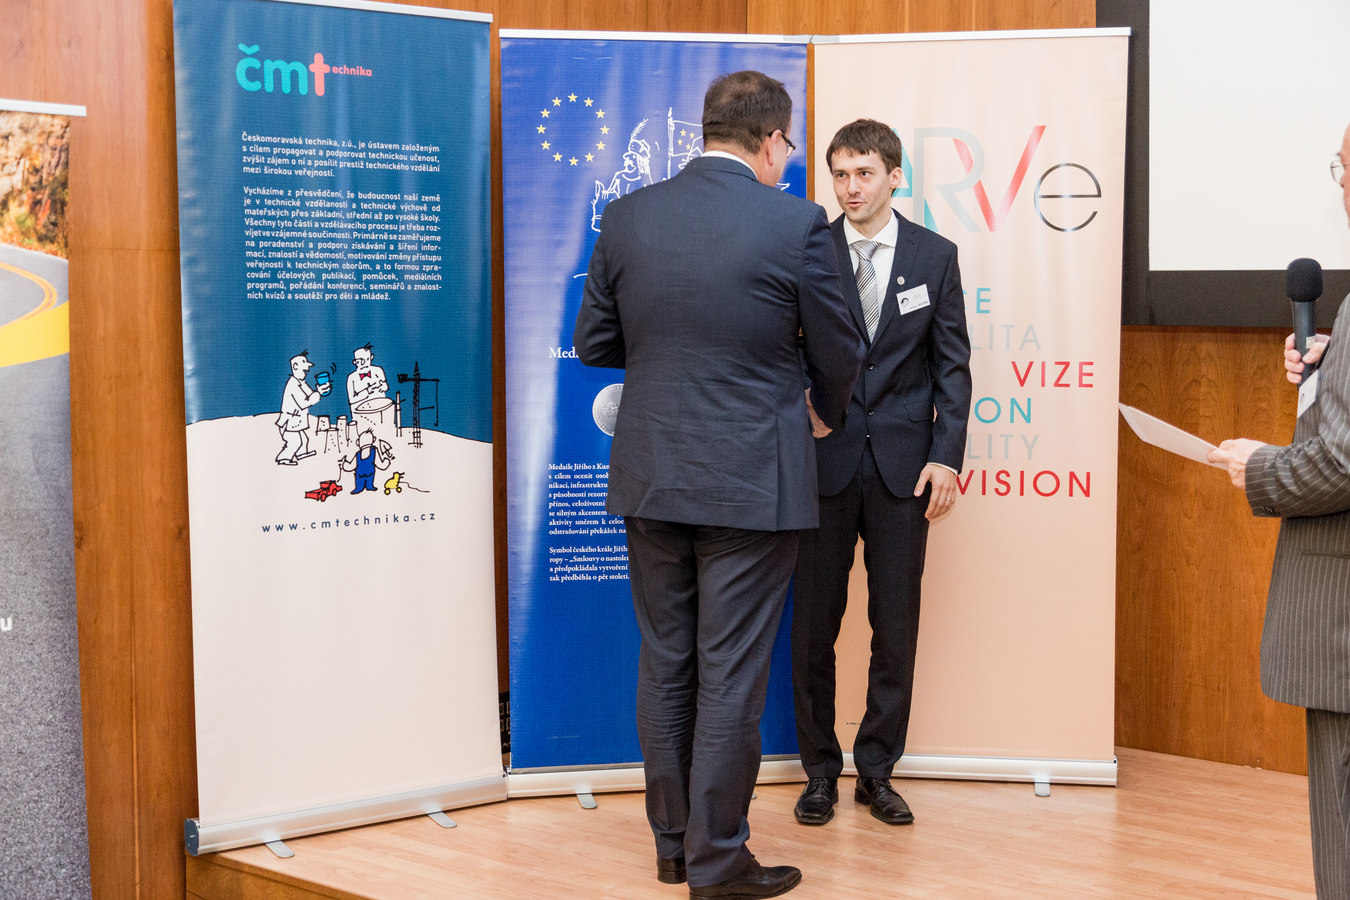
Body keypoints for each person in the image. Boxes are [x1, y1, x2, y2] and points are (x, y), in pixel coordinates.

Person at [573, 70, 863, 900]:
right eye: (789, 146)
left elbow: (595, 343)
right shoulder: (796, 222)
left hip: (652, 474)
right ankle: (718, 860)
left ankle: (674, 848)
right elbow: (841, 349)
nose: (787, 159)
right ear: (771, 140)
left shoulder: (628, 215)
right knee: (729, 672)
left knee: (667, 664)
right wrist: (821, 409)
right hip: (752, 480)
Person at [791, 119, 971, 828]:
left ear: (895, 176)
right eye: (839, 174)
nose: (850, 188)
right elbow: (781, 346)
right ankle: (818, 774)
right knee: (813, 630)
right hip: (822, 466)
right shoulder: (810, 250)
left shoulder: (935, 255)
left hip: (905, 471)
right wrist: (800, 404)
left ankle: (876, 771)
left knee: (895, 630)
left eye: (863, 173)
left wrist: (946, 455)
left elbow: (952, 366)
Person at [1208, 122, 1350, 897]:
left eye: (1343, 167)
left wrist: (1259, 466)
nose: (1341, 184)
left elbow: (1341, 463)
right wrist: (1336, 364)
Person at [275, 350, 328, 465]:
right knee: (295, 442)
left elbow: (310, 395)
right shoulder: (292, 384)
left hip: (296, 423)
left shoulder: (301, 383)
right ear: (295, 366)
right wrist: (318, 393)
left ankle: (301, 454)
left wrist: (319, 390)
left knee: (304, 440)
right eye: (304, 367)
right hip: (289, 423)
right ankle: (283, 458)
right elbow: (304, 403)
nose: (307, 370)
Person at [346, 342, 388, 414]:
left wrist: (384, 386)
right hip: (360, 413)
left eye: (367, 359)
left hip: (380, 409)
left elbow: (385, 386)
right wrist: (367, 391)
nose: (363, 364)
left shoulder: (378, 370)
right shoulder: (351, 378)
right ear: (355, 362)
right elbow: (352, 399)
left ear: (371, 357)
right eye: (360, 361)